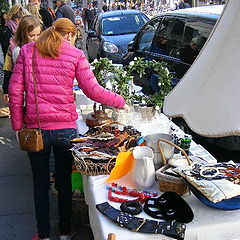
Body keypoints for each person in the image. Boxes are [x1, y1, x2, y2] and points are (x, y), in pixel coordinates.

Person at [8, 18, 129, 240]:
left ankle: (43, 234)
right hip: (65, 130)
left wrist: (17, 125)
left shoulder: (27, 51)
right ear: (70, 36)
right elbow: (93, 90)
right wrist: (119, 101)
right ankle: (65, 231)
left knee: (40, 182)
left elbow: (15, 91)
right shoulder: (74, 55)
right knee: (63, 182)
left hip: (36, 129)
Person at [2, 15, 42, 104]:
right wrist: (6, 90)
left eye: (38, 34)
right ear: (23, 34)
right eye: (32, 35)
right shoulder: (16, 49)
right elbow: (8, 68)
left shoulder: (41, 47)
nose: (36, 38)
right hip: (24, 91)